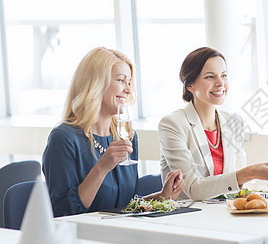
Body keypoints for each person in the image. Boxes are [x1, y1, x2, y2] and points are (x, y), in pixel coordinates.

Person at [43, 47, 184, 217]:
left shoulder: (127, 136)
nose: (128, 90)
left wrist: (162, 196)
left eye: (129, 82)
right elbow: (64, 211)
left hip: (120, 232)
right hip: (84, 237)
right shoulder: (64, 138)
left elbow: (125, 207)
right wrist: (102, 167)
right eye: (121, 80)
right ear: (95, 84)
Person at [158, 47, 268, 201]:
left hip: (224, 213)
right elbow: (194, 189)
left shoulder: (234, 121)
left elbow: (236, 183)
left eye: (224, 75)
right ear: (190, 85)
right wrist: (249, 172)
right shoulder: (172, 124)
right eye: (210, 77)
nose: (220, 83)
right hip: (187, 216)